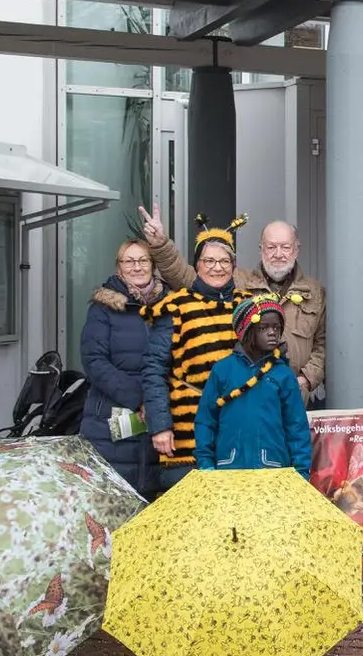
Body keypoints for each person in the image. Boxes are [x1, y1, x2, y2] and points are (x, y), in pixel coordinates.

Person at [140, 205, 327, 405]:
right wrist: (160, 244)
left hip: (295, 398)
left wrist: (306, 379)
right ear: (261, 249)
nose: (278, 253)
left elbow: (322, 345)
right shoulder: (237, 281)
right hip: (249, 399)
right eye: (271, 247)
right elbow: (188, 276)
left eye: (285, 247)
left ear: (297, 249)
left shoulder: (314, 291)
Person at [140, 216, 250, 492]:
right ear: (197, 265)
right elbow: (154, 370)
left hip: (239, 432)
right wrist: (160, 426)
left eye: (224, 261)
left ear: (233, 266)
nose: (217, 268)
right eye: (209, 261)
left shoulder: (247, 306)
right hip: (186, 436)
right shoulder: (176, 306)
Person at [78, 239, 164, 498]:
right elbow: (93, 360)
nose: (136, 267)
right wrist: (139, 397)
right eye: (129, 261)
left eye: (143, 260)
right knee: (113, 500)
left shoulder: (168, 306)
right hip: (109, 422)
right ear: (119, 268)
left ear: (153, 265)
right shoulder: (103, 309)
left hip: (158, 418)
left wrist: (157, 400)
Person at [193, 296, 312, 479]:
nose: (272, 333)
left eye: (276, 327)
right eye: (263, 328)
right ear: (247, 331)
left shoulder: (283, 374)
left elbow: (296, 426)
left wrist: (301, 471)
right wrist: (206, 463)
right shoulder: (223, 370)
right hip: (228, 470)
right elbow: (206, 420)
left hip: (273, 471)